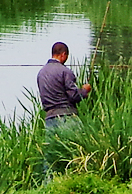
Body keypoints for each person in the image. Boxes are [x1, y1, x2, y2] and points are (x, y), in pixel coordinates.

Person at [36, 42, 90, 177]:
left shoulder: (41, 73)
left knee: (50, 153)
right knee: (78, 147)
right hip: (67, 116)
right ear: (64, 54)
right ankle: (75, 177)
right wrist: (85, 90)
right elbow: (74, 96)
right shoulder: (65, 72)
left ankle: (49, 183)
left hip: (49, 117)